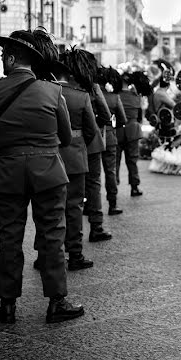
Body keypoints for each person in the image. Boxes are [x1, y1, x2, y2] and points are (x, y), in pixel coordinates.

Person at [0, 30, 83, 324]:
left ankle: (7, 305)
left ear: (14, 58)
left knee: (9, 238)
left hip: (6, 173)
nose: (2, 59)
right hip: (48, 173)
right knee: (53, 236)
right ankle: (57, 301)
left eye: (5, 55)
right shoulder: (53, 91)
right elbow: (65, 138)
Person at [49, 51, 99, 270]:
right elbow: (92, 130)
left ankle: (47, 254)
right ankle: (75, 253)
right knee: (75, 206)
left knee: (50, 207)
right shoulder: (81, 95)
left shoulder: (44, 91)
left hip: (50, 154)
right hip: (76, 155)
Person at [79, 54, 113, 242]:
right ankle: (96, 226)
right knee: (93, 184)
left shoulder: (62, 86)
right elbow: (106, 115)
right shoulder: (93, 87)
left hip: (69, 144)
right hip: (91, 143)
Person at [118, 71, 150, 197]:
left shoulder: (116, 96)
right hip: (133, 131)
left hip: (119, 131)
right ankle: (134, 186)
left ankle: (113, 186)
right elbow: (140, 118)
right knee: (132, 161)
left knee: (115, 163)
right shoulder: (136, 96)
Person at [99, 67, 127, 215]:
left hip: (94, 138)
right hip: (109, 136)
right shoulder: (114, 97)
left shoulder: (89, 95)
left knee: (93, 175)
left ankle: (90, 204)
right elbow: (122, 119)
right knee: (110, 171)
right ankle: (112, 204)